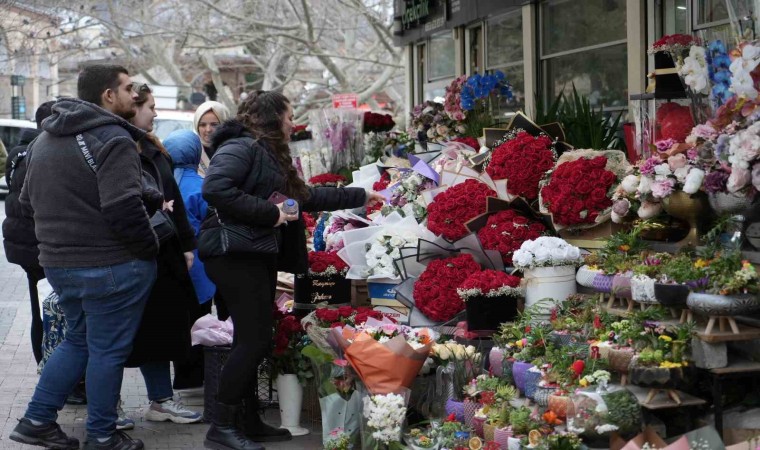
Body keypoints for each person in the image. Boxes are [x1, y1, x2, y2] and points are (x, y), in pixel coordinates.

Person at [199, 90, 383, 450]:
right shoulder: (243, 146)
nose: (291, 122)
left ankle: (247, 420)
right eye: (288, 115)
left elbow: (305, 197)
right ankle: (220, 428)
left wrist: (359, 195)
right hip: (234, 255)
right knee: (252, 341)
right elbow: (215, 188)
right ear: (271, 118)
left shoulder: (266, 152)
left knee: (253, 340)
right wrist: (271, 214)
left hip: (253, 254)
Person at [10, 64, 158, 450]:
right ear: (108, 96)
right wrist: (149, 250)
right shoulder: (113, 138)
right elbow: (124, 206)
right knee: (106, 351)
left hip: (61, 266)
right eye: (128, 88)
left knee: (79, 342)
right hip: (110, 265)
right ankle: (103, 434)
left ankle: (37, 420)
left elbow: (26, 202)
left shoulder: (46, 139)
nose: (134, 94)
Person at [120, 84, 203, 427]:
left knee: (160, 329)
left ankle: (161, 399)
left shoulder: (157, 150)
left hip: (165, 251)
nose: (155, 113)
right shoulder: (118, 150)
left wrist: (186, 245)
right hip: (131, 252)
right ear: (132, 108)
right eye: (150, 107)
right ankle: (107, 405)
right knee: (117, 334)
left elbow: (176, 203)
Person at [3, 100, 55, 366]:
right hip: (38, 246)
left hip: (24, 245)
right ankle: (46, 363)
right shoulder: (38, 153)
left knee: (42, 307)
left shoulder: (19, 152)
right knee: (48, 310)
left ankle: (45, 363)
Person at [164, 129, 215, 394]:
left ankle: (181, 379)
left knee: (178, 323)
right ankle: (195, 381)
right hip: (200, 266)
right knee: (199, 321)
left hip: (171, 265)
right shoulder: (201, 185)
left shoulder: (162, 183)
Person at [193, 100, 230, 175]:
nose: (208, 130)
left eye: (214, 125)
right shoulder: (191, 151)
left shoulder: (235, 150)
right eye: (203, 125)